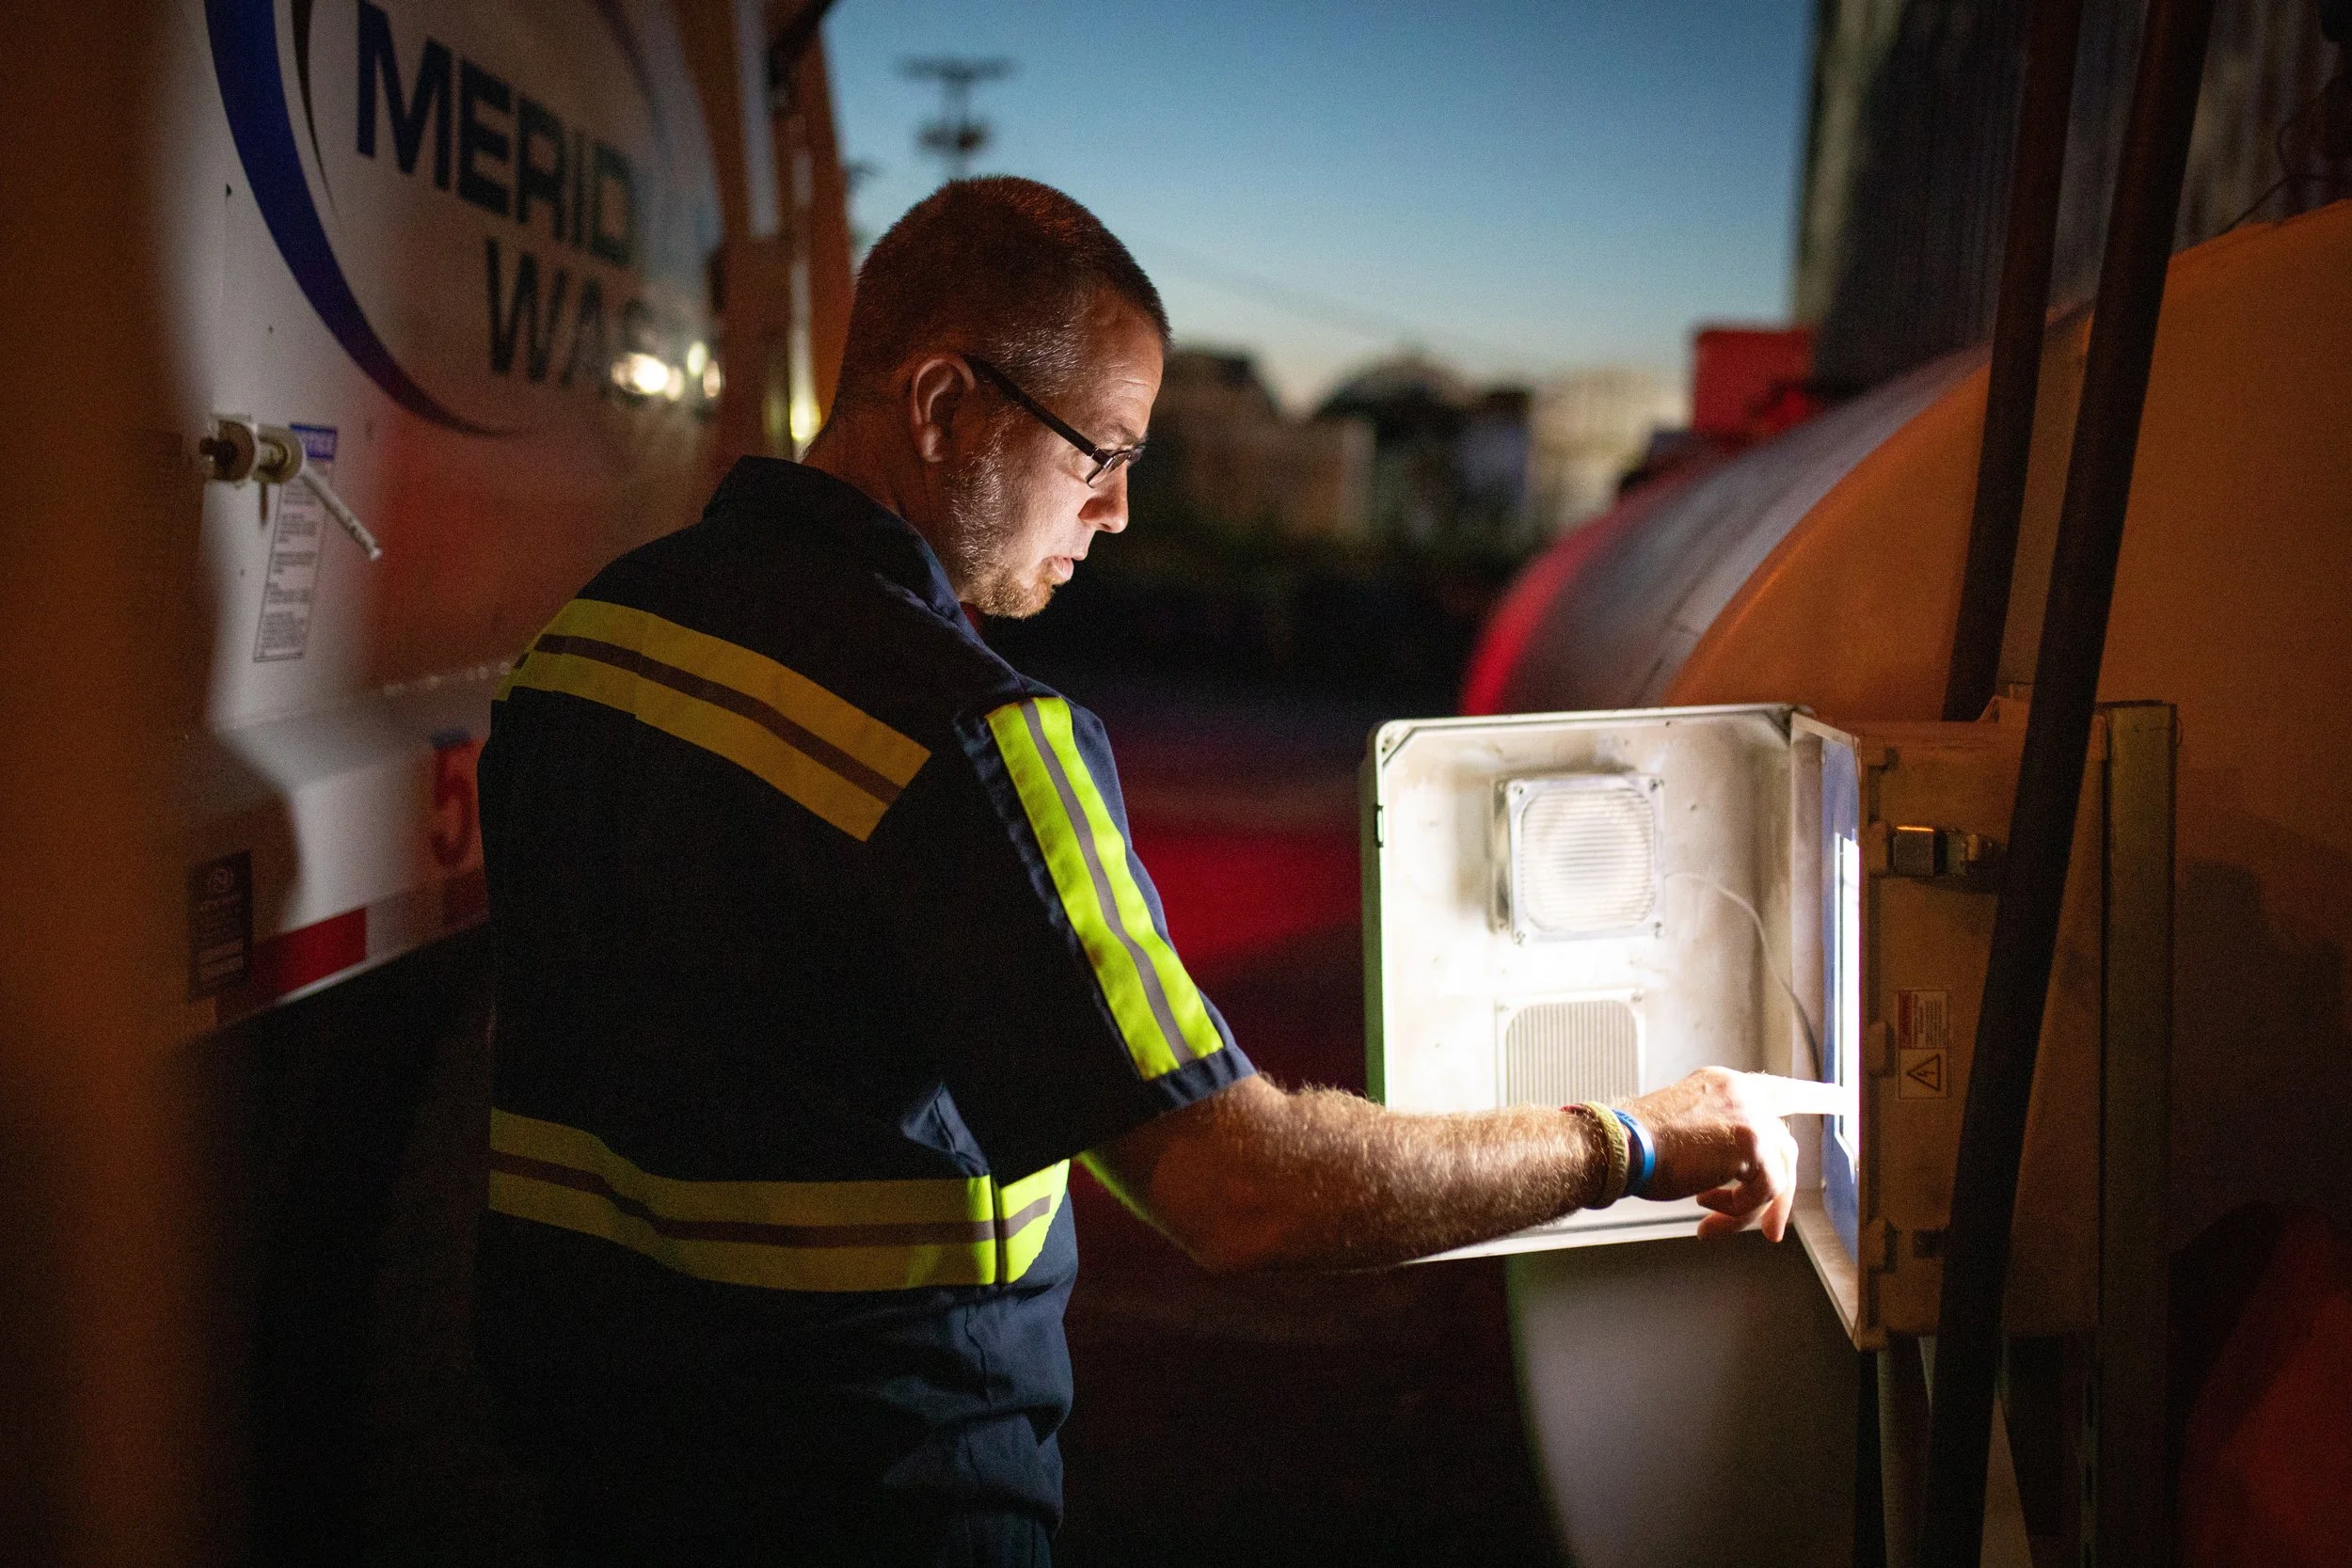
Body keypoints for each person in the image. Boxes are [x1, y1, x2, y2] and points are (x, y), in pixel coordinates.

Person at [472, 176, 1825, 1568]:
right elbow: (1240, 1188)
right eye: (1096, 452)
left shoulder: (591, 640)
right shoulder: (977, 739)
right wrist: (1637, 1137)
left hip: (595, 1472)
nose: (1117, 510)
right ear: (941, 408)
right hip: (876, 1493)